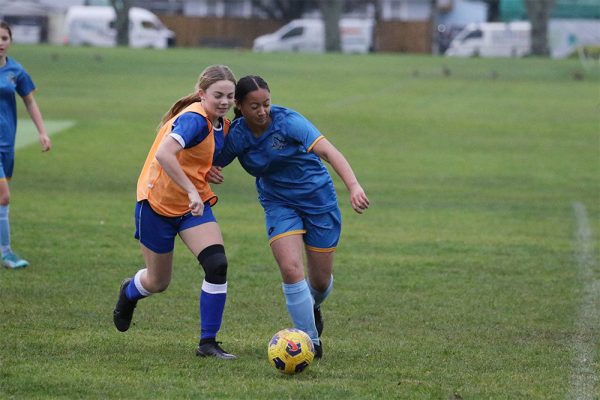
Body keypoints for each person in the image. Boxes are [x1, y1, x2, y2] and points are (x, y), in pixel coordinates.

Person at [211, 75, 370, 358]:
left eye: (266, 104)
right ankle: (310, 342)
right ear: (239, 106)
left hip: (318, 201)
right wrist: (206, 170)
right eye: (254, 106)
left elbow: (329, 152)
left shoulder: (289, 122)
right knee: (290, 268)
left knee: (319, 282)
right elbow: (208, 159)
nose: (262, 112)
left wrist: (354, 186)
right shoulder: (237, 135)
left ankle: (313, 306)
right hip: (278, 203)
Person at [112, 65, 237, 360]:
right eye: (217, 95)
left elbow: (196, 156)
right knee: (158, 282)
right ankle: (129, 292)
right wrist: (192, 189)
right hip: (157, 205)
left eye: (229, 96)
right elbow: (164, 154)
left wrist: (205, 172)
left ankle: (208, 343)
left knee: (217, 265)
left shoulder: (221, 123)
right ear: (202, 94)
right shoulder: (194, 119)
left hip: (192, 208)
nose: (224, 101)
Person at [0, 21, 52, 269]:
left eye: (4, 38)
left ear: (10, 41)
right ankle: (7, 253)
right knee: (4, 196)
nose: (0, 43)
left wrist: (43, 132)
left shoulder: (16, 71)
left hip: (7, 144)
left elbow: (30, 102)